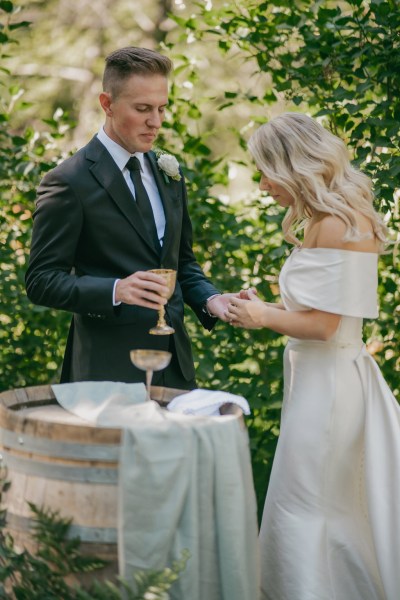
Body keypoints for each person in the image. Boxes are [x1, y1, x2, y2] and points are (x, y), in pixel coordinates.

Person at [226, 112, 400, 599]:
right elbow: (322, 312)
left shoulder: (338, 224)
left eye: (266, 171)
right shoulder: (324, 221)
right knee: (309, 499)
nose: (263, 185)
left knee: (308, 504)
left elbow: (325, 328)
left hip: (328, 390)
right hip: (315, 382)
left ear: (293, 166)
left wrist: (262, 316)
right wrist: (271, 307)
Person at [25, 46, 233, 389]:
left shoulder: (170, 173)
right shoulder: (68, 181)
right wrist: (117, 290)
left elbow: (182, 263)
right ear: (107, 104)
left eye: (162, 108)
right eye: (143, 109)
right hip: (106, 373)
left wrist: (212, 299)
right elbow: (41, 281)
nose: (156, 121)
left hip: (174, 368)